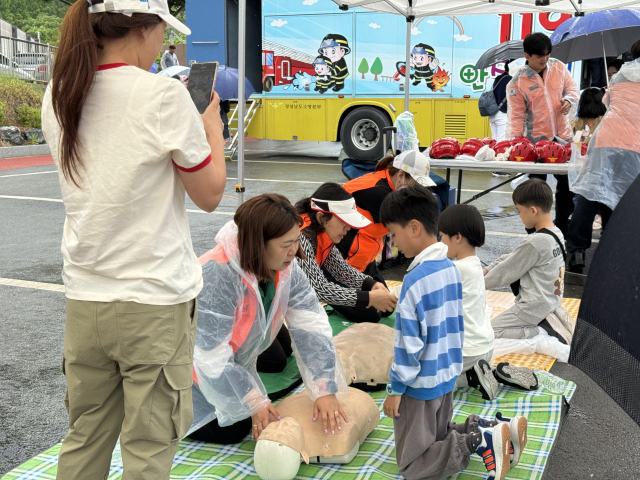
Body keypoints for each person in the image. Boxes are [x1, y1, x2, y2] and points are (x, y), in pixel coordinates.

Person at [40, 1, 227, 478]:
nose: (164, 44)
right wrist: (212, 131)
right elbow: (209, 195)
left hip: (86, 300)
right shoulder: (162, 97)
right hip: (153, 303)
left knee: (85, 436)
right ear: (143, 29)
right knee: (147, 448)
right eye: (163, 32)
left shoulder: (59, 94)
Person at [379, 186, 519, 480]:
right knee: (436, 437)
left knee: (413, 466)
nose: (392, 242)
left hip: (419, 387)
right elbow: (456, 325)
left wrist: (395, 389)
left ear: (414, 228)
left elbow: (408, 345)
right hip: (446, 377)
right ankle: (488, 430)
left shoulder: (414, 282)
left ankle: (477, 440)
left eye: (393, 233)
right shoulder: (450, 268)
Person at [188, 194, 349, 445]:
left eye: (296, 241)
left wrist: (324, 387)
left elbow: (311, 325)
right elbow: (208, 356)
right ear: (257, 243)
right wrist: (252, 401)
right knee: (234, 426)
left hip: (231, 360)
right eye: (286, 244)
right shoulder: (217, 275)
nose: (293, 251)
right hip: (188, 368)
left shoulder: (286, 268)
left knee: (257, 398)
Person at [439, 205, 539, 401]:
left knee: (431, 380)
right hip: (485, 346)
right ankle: (491, 372)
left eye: (442, 236)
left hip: (465, 352)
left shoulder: (453, 269)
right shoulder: (475, 264)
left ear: (457, 237)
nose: (440, 242)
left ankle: (470, 377)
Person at [567, 41, 640, 273]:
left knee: (592, 193)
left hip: (607, 139)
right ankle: (614, 250)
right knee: (625, 198)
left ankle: (577, 251)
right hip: (635, 145)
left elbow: (607, 105)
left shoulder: (619, 76)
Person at [483, 180, 573, 344]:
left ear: (532, 211)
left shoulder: (536, 242)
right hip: (551, 302)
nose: (519, 216)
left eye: (519, 211)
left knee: (489, 332)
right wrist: (488, 269)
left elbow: (506, 271)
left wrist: (478, 284)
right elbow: (513, 257)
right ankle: (545, 324)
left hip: (533, 308)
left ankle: (541, 331)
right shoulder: (556, 233)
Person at [507, 32, 580, 236]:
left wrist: (569, 100)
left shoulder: (558, 67)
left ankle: (563, 226)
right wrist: (517, 143)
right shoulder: (517, 81)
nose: (545, 59)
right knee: (536, 190)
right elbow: (516, 116)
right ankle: (535, 230)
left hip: (562, 138)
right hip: (536, 144)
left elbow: (573, 89)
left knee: (567, 187)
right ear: (527, 55)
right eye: (540, 56)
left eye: (547, 54)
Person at [296, 183, 397, 324]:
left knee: (381, 308)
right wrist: (368, 297)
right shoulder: (302, 237)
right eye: (344, 222)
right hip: (271, 299)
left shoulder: (322, 230)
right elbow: (319, 289)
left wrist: (371, 284)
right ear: (321, 217)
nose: (348, 228)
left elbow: (341, 269)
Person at [337, 150, 437, 281]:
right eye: (416, 184)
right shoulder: (379, 193)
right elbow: (409, 228)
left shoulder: (385, 181)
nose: (417, 190)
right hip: (347, 253)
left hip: (364, 252)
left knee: (381, 294)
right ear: (400, 175)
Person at [491, 61, 512, 177]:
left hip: (493, 113)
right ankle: (498, 169)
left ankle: (494, 166)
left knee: (495, 142)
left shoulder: (498, 78)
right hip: (502, 114)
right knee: (501, 142)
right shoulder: (511, 80)